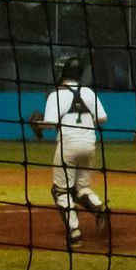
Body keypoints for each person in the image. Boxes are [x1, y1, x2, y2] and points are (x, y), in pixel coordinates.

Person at [31, 56, 110, 248]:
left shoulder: (56, 95)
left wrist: (37, 124)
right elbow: (103, 118)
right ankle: (98, 207)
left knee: (61, 191)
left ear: (62, 73)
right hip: (89, 144)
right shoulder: (89, 92)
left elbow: (49, 123)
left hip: (68, 144)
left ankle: (74, 233)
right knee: (81, 188)